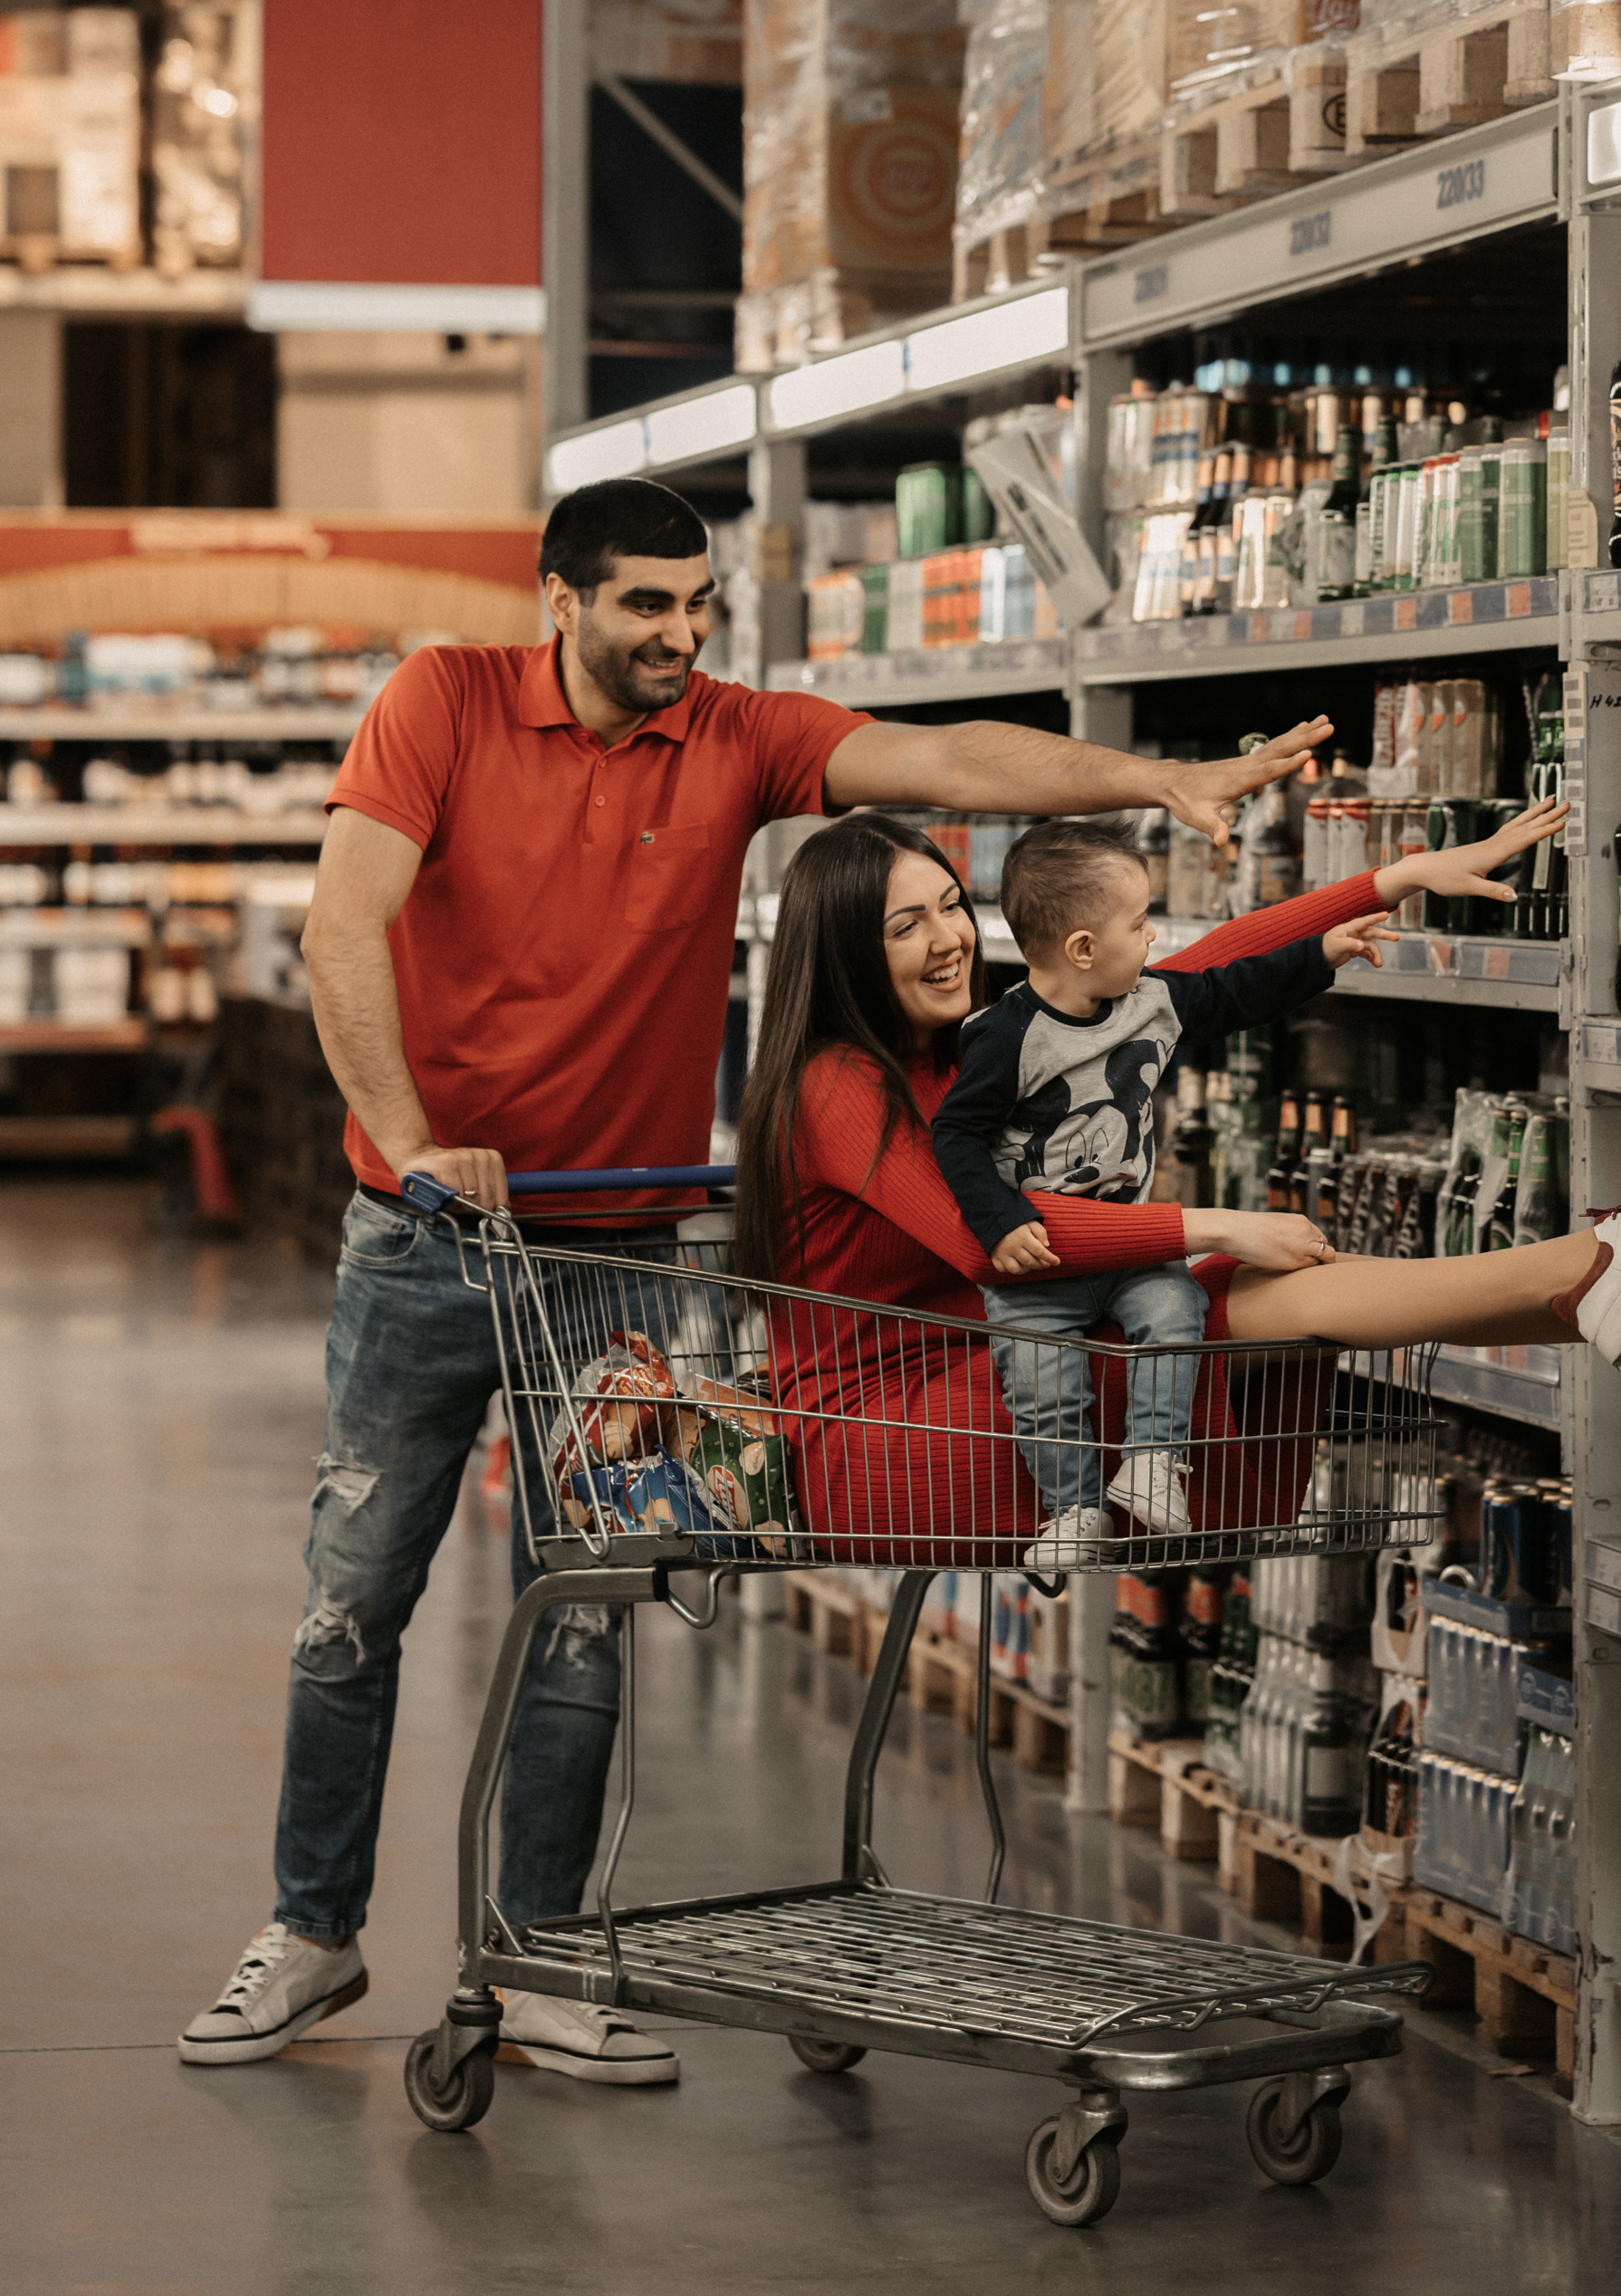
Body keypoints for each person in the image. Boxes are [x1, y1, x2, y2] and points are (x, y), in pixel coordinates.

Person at [180, 476, 1360, 2081]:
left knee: (582, 1608)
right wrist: (413, 1143)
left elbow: (948, 761)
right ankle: (312, 1934)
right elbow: (344, 932)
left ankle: (535, 1954)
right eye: (645, 605)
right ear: (560, 601)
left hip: (608, 1251)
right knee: (351, 1599)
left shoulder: (733, 737)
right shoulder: (438, 704)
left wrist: (1159, 775)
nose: (679, 633)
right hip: (425, 1243)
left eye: (696, 603)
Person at [732, 808, 1621, 1563]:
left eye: (950, 903)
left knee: (1217, 1294)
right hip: (881, 1438)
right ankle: (1597, 1269)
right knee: (1227, 1292)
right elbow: (986, 1235)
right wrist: (1218, 1223)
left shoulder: (962, 1048)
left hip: (993, 1373)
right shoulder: (834, 1082)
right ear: (840, 950)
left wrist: (1393, 879)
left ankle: (1604, 1291)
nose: (950, 936)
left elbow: (1184, 976)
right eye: (904, 922)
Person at [930, 813, 1392, 1559]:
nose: (1152, 938)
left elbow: (1231, 990)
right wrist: (1000, 1222)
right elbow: (954, 1135)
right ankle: (1072, 1511)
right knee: (1043, 1383)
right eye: (1139, 923)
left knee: (1176, 1311)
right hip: (1041, 1263)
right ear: (1083, 949)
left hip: (1132, 1246)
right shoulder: (1006, 1038)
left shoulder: (1150, 1000)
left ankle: (1151, 1463)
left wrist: (1319, 955)